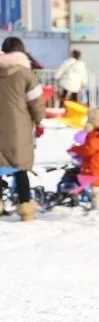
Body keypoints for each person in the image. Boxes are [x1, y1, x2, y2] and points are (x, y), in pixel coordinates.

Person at [0, 37, 46, 221]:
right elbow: (36, 102)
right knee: (20, 167)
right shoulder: (27, 74)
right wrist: (39, 121)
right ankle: (26, 208)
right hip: (19, 128)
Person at [68, 102, 99, 213]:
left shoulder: (97, 137)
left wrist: (75, 149)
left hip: (96, 167)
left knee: (97, 190)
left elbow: (88, 149)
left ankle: (97, 208)